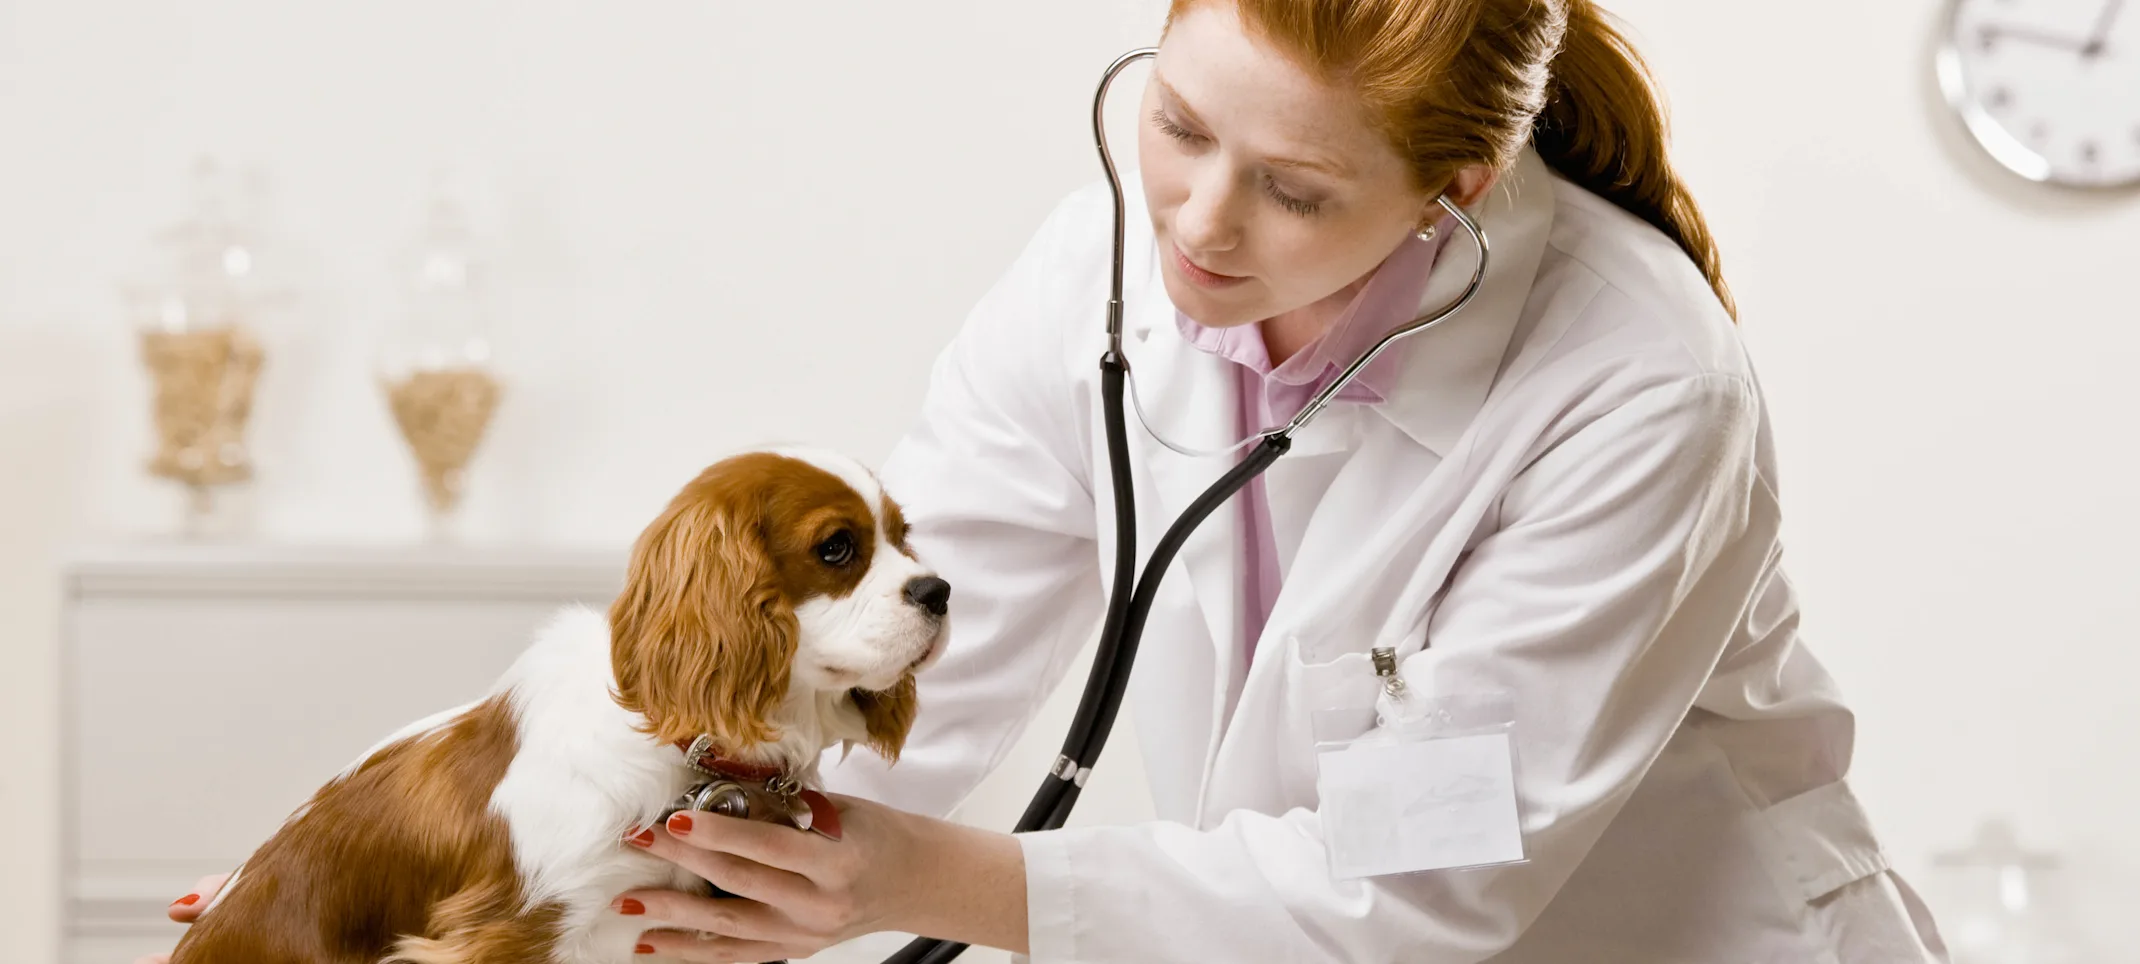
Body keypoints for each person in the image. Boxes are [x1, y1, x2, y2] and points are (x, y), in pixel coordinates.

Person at [148, 0, 1952, 961]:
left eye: (1298, 194)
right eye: (1175, 125)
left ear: (1455, 196)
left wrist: (922, 884)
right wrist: (369, 895)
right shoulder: (1103, 268)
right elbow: (891, 662)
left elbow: (1417, 880)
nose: (1193, 225)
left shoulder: (1637, 389)